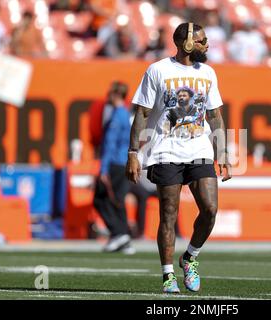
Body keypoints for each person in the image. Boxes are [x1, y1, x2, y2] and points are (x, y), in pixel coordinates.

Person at [126, 22, 232, 293]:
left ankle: (190, 257)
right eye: (201, 40)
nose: (206, 44)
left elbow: (214, 116)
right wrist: (133, 153)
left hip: (199, 150)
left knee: (210, 209)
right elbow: (142, 114)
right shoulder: (158, 70)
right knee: (169, 214)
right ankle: (168, 275)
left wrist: (223, 152)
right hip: (166, 150)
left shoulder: (208, 72)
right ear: (186, 44)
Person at [93, 81, 135, 254]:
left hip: (115, 164)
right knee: (118, 201)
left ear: (116, 95)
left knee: (100, 199)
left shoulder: (117, 116)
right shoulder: (125, 114)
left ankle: (119, 233)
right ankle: (123, 238)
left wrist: (103, 169)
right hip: (123, 161)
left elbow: (110, 144)